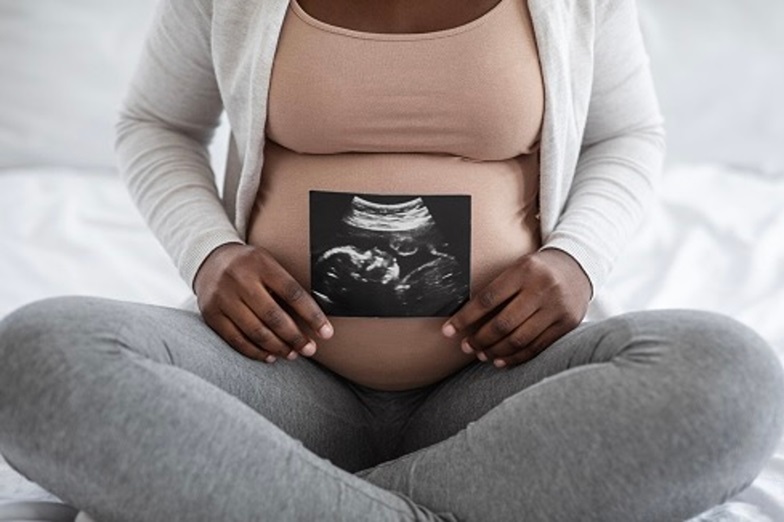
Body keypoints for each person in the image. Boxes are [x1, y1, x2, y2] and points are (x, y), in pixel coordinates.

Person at [1, 0, 782, 520]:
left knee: (731, 378)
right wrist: (210, 255)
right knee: (37, 356)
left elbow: (628, 135)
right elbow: (155, 123)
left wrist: (577, 260)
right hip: (274, 381)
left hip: (505, 388)